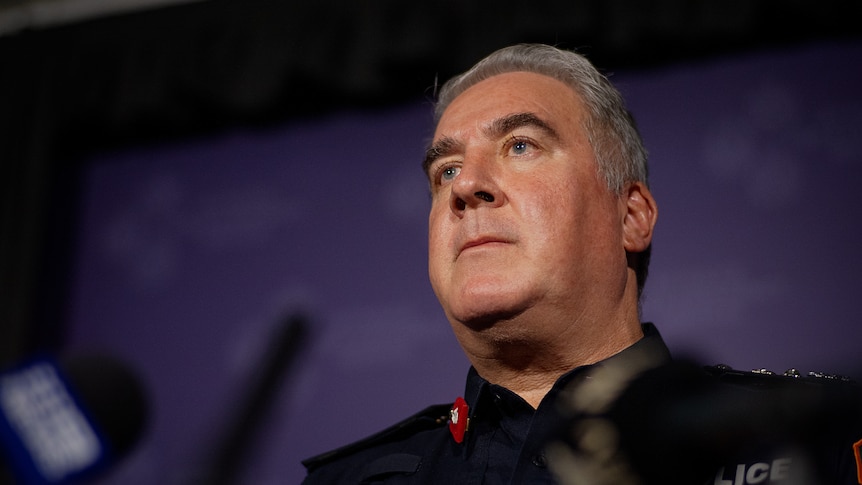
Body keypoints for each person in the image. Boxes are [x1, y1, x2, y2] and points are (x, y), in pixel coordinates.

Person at [301, 44, 862, 484]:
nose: (465, 186)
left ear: (631, 216)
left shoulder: (803, 438)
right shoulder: (343, 481)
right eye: (445, 170)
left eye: (520, 145)